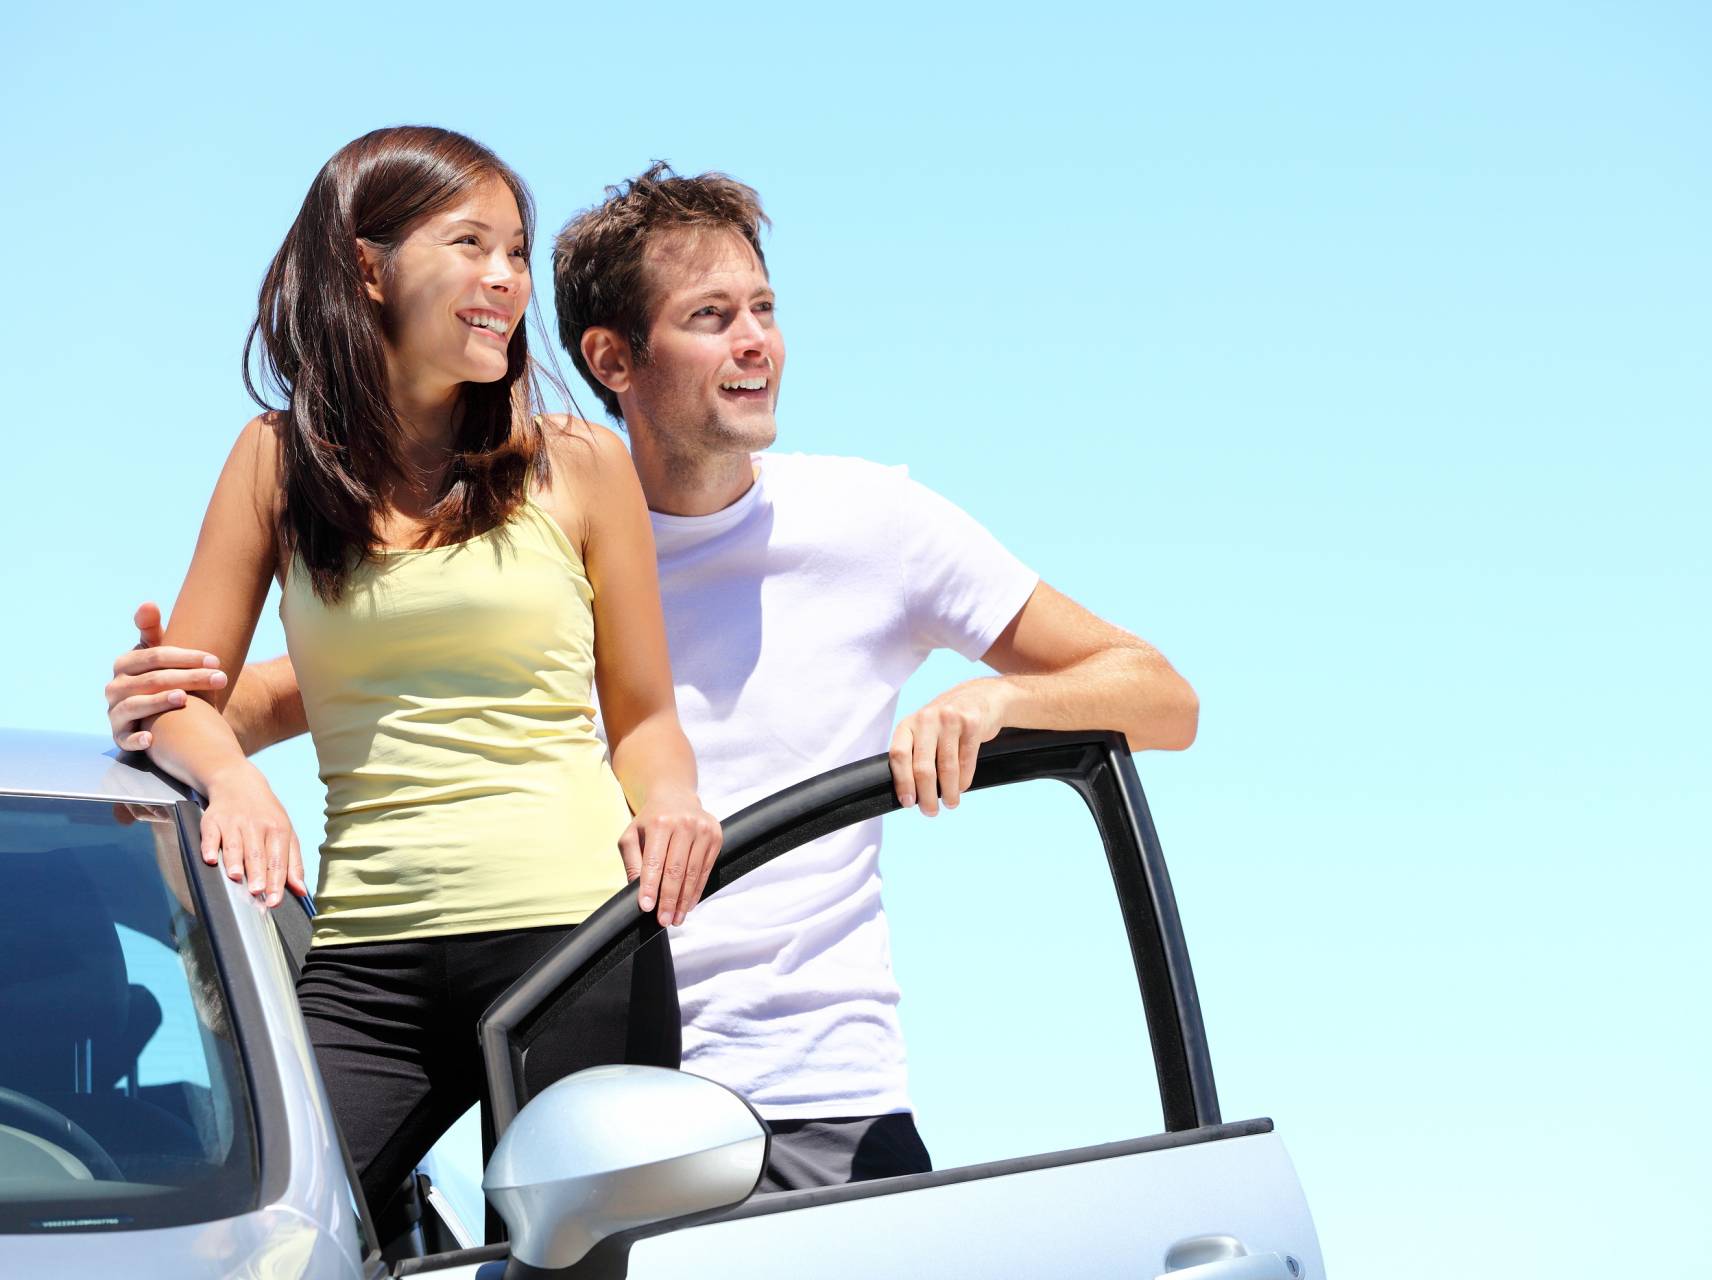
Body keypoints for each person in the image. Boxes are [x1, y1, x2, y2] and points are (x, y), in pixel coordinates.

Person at [109, 163, 1198, 1191]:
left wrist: (1000, 699)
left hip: (815, 1097)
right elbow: (320, 692)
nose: (757, 343)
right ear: (613, 358)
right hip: (576, 1072)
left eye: (764, 309)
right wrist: (161, 702)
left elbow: (1159, 694)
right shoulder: (528, 535)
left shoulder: (879, 524)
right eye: (712, 318)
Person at [128, 128, 720, 1240]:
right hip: (366, 961)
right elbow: (180, 695)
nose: (506, 278)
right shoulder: (273, 462)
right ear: (369, 266)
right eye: (472, 244)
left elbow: (643, 716)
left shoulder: (579, 464)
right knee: (267, 1243)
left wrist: (674, 801)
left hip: (576, 943)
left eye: (516, 251)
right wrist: (237, 784)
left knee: (566, 1265)